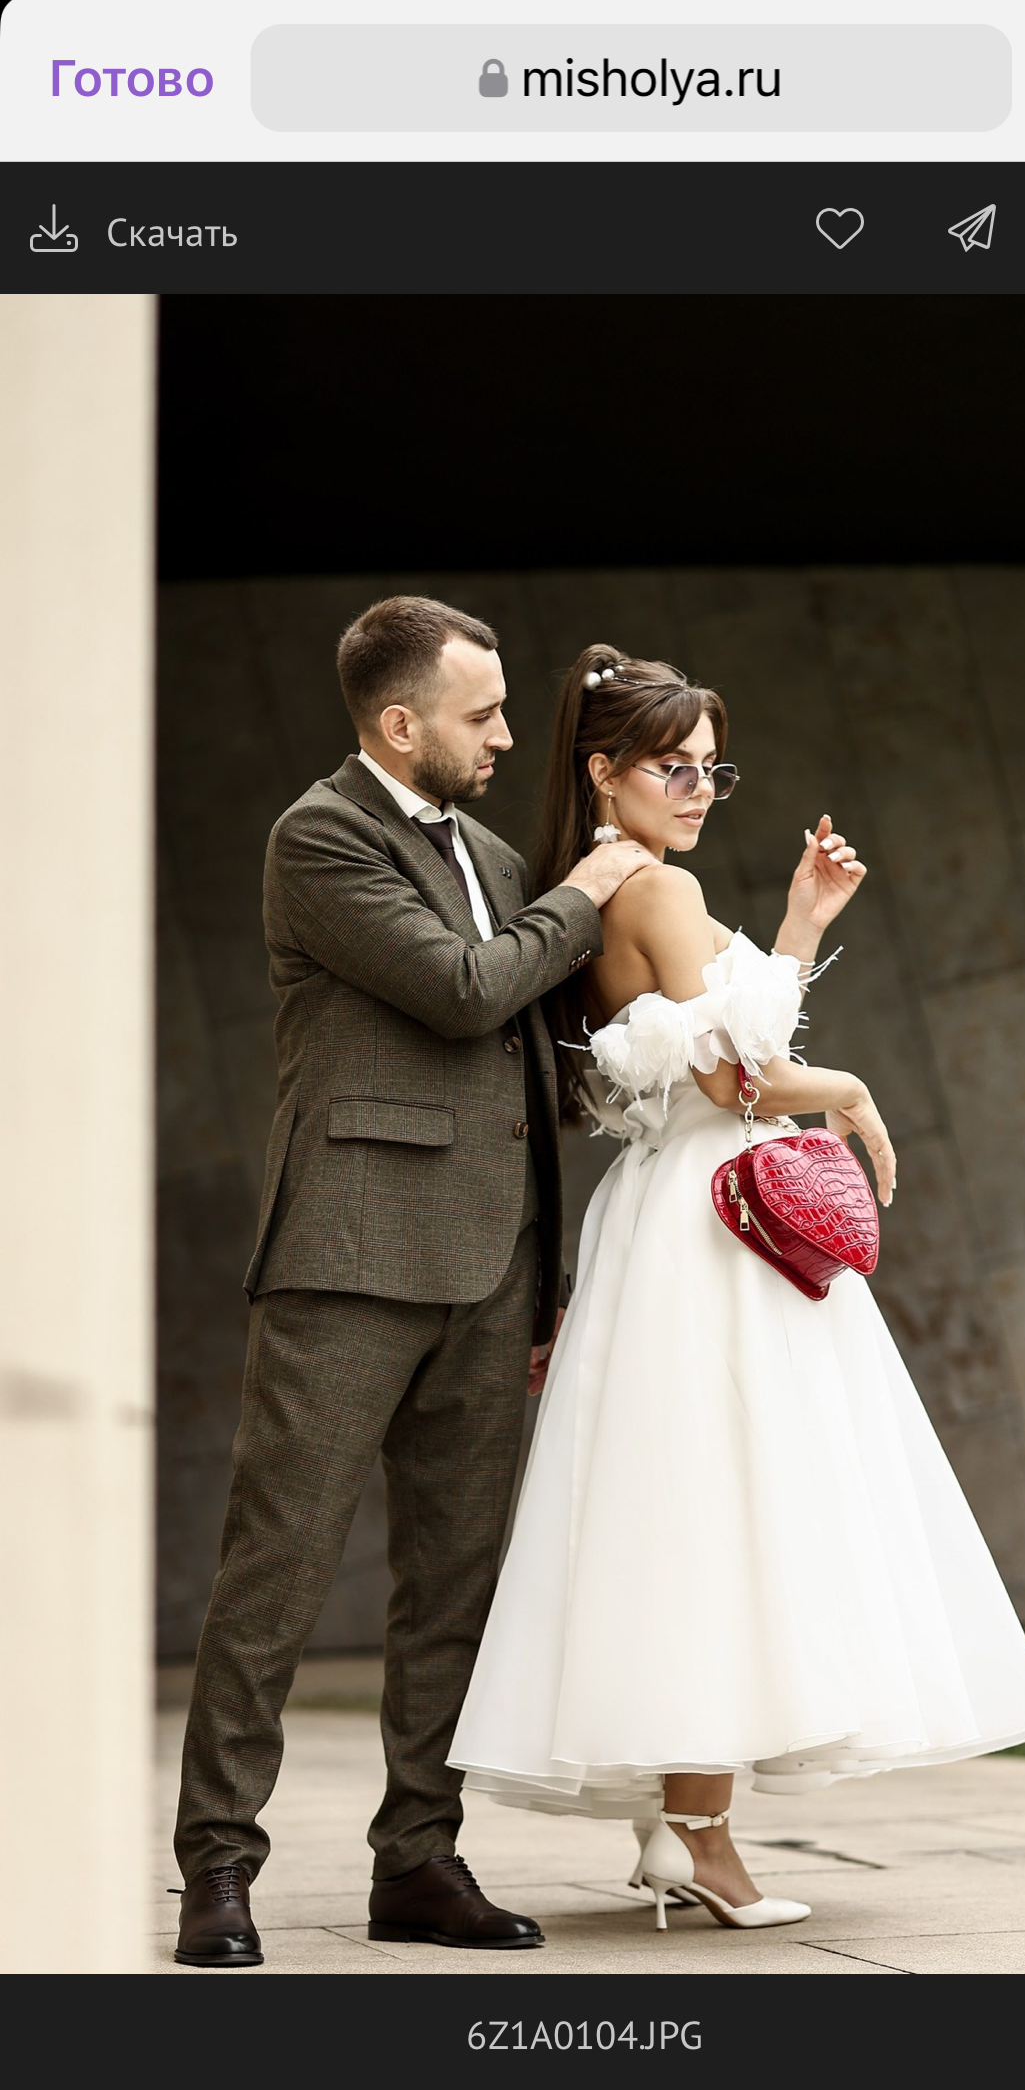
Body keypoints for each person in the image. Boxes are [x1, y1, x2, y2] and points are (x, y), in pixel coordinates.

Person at [448, 645, 1025, 1933]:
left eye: (714, 766)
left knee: (696, 1513)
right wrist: (850, 1094)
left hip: (679, 1223)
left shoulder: (615, 889)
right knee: (728, 1511)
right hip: (713, 1225)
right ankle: (701, 1835)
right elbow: (741, 1081)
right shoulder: (652, 888)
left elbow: (717, 1053)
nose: (701, 787)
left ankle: (689, 1828)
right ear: (605, 771)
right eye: (674, 765)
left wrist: (798, 924)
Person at [171, 597, 651, 1964]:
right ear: (398, 725)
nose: (506, 734)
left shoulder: (498, 854)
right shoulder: (319, 836)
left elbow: (536, 1056)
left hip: (494, 1268)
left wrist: (554, 1280)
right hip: (347, 1257)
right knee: (274, 1574)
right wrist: (588, 892)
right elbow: (458, 988)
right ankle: (217, 1868)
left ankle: (419, 1863)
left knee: (455, 1585)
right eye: (480, 713)